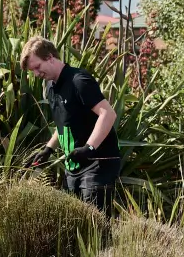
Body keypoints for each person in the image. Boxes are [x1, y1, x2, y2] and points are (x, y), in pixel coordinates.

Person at [20, 36, 121, 210]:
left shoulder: (78, 80)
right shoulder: (51, 87)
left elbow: (108, 114)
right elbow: (64, 124)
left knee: (94, 225)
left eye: (37, 67)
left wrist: (89, 148)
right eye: (32, 71)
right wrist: (48, 149)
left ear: (50, 57)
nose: (36, 74)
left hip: (98, 164)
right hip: (73, 167)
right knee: (74, 224)